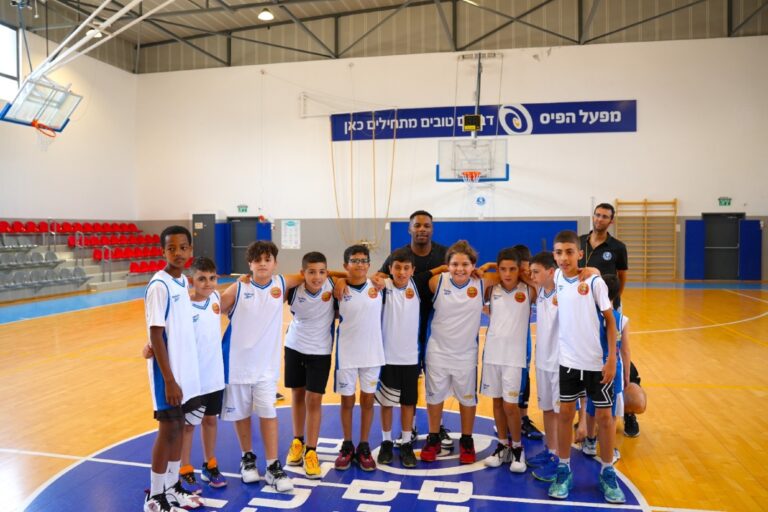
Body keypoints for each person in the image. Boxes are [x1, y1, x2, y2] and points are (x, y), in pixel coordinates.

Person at [547, 230, 625, 504]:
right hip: (568, 362)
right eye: (559, 252)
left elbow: (611, 320)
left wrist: (611, 358)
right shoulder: (556, 277)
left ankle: (607, 471)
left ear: (580, 253)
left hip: (595, 363)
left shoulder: (594, 282)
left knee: (605, 419)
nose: (564, 257)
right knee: (566, 415)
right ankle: (564, 467)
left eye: (570, 252)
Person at [218, 241, 301, 492]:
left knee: (268, 412)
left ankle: (274, 466)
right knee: (241, 414)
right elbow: (212, 308)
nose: (262, 263)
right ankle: (247, 458)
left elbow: (314, 273)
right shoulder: (238, 288)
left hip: (266, 367)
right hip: (236, 364)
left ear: (275, 263)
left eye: (267, 259)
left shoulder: (281, 283)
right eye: (257, 259)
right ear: (250, 264)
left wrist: (343, 279)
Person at [143, 256, 227, 493]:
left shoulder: (217, 299)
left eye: (212, 278)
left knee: (211, 421)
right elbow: (165, 332)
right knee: (188, 426)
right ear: (192, 280)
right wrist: (147, 346)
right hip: (193, 379)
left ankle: (210, 464)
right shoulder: (184, 306)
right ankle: (184, 468)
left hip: (215, 376)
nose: (208, 283)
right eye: (202, 278)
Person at [377, 210, 452, 450]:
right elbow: (379, 275)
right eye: (417, 225)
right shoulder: (400, 255)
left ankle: (435, 426)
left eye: (426, 225)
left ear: (432, 229)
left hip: (436, 320)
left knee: (434, 375)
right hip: (405, 323)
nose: (422, 229)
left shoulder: (443, 253)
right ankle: (412, 426)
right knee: (411, 378)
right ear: (410, 229)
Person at [143, 226, 205, 512]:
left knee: (180, 427)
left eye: (183, 247)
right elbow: (156, 334)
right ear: (163, 251)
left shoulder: (182, 282)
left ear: (191, 250)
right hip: (167, 375)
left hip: (185, 373)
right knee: (168, 429)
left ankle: (172, 487)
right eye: (171, 248)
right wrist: (169, 380)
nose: (178, 253)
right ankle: (155, 495)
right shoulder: (160, 285)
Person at [420, 240, 496, 465]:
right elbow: (418, 278)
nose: (460, 269)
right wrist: (440, 270)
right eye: (454, 264)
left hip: (465, 353)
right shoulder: (437, 281)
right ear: (447, 266)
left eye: (465, 264)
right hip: (438, 351)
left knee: (467, 399)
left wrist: (488, 265)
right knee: (434, 398)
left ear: (473, 265)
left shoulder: (483, 282)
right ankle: (433, 438)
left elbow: (513, 274)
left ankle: (466, 440)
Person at [375, 248, 444, 468]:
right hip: (386, 357)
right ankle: (386, 441)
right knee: (386, 403)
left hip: (411, 358)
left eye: (406, 268)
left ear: (413, 270)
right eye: (397, 268)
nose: (402, 272)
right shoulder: (382, 287)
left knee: (408, 403)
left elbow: (441, 269)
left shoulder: (418, 283)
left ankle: (406, 442)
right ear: (390, 269)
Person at [578, 202, 641, 437]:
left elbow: (621, 277)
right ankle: (585, 419)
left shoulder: (618, 247)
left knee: (617, 359)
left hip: (607, 308)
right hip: (583, 309)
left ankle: (628, 413)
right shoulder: (580, 241)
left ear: (611, 221)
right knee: (584, 361)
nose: (600, 219)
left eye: (605, 216)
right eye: (597, 215)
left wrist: (612, 301)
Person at [283, 251, 337, 479]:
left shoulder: (333, 285)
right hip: (294, 346)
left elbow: (350, 276)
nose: (317, 277)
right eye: (311, 272)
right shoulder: (292, 289)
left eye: (322, 272)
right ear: (302, 273)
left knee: (314, 399)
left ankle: (311, 451)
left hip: (321, 351)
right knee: (297, 394)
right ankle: (298, 440)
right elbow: (271, 283)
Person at [481, 247, 533, 473]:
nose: (508, 273)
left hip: (514, 358)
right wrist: (491, 267)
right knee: (496, 402)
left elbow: (532, 275)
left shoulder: (529, 289)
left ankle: (518, 449)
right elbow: (481, 275)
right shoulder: (492, 288)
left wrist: (521, 271)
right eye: (503, 269)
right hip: (493, 354)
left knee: (510, 405)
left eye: (512, 269)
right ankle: (502, 445)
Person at [334, 244, 385, 472]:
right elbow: (323, 273)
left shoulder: (379, 285)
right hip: (347, 353)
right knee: (347, 401)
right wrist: (341, 279)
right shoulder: (338, 289)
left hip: (373, 354)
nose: (360, 264)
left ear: (369, 265)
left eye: (364, 261)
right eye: (355, 261)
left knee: (367, 401)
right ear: (346, 265)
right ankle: (347, 444)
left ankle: (363, 445)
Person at [582, 274, 631, 464]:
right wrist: (626, 373)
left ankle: (590, 441)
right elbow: (625, 351)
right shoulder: (621, 319)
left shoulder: (591, 316)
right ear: (619, 292)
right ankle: (608, 447)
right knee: (612, 412)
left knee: (592, 405)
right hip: (612, 370)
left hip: (591, 367)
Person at [526, 251, 562, 482]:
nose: (532, 276)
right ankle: (551, 452)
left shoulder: (565, 288)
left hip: (561, 362)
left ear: (552, 272)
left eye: (536, 272)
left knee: (561, 413)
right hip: (543, 361)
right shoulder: (540, 291)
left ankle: (560, 462)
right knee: (547, 409)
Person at [512, 244, 544, 441]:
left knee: (524, 378)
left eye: (528, 270)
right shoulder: (501, 284)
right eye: (522, 270)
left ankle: (522, 418)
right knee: (507, 383)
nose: (526, 274)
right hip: (503, 344)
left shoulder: (532, 286)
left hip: (522, 341)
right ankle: (509, 419)